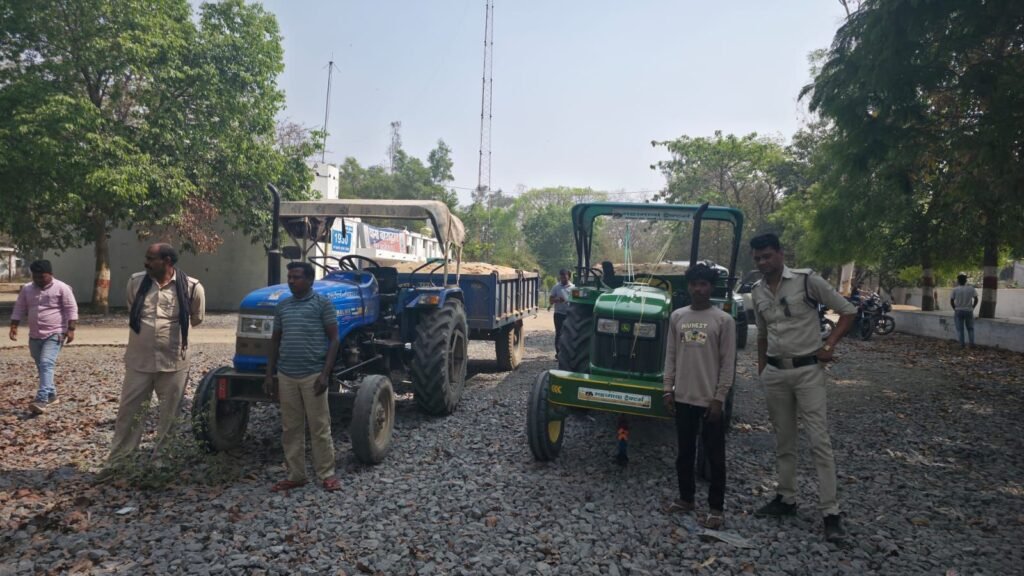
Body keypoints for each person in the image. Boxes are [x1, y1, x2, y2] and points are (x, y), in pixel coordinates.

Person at [748, 233, 857, 543]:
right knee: (784, 440)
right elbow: (762, 335)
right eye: (757, 258)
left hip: (808, 370)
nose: (762, 262)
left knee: (818, 441)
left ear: (781, 253)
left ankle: (830, 512)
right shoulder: (757, 292)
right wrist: (762, 370)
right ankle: (786, 498)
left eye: (767, 256)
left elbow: (847, 311)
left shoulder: (807, 281)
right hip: (775, 373)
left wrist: (830, 344)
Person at [106, 243, 205, 465]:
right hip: (138, 361)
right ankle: (120, 460)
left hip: (174, 362)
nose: (146, 262)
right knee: (129, 412)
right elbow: (133, 310)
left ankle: (162, 460)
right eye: (147, 257)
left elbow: (196, 318)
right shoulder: (136, 282)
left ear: (168, 261)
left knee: (169, 414)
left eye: (152, 258)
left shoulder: (191, 287)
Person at [662, 263, 735, 529]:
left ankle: (716, 508)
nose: (698, 289)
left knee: (715, 456)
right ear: (688, 286)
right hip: (682, 397)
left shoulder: (723, 320)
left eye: (703, 284)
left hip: (710, 401)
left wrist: (720, 398)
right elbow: (670, 355)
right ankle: (686, 498)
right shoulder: (677, 317)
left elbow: (728, 364)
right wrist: (667, 388)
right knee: (684, 452)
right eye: (694, 284)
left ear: (711, 287)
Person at [264, 261, 342, 492]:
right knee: (291, 428)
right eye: (289, 277)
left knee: (319, 427)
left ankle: (327, 475)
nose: (291, 281)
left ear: (309, 280)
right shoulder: (283, 306)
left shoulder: (322, 305)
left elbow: (334, 339)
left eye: (296, 277)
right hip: (286, 374)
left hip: (313, 375)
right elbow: (275, 340)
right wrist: (270, 374)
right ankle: (296, 475)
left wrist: (325, 374)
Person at [9, 260, 78, 414]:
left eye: (43, 277)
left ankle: (41, 400)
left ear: (51, 275)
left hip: (55, 333)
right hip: (34, 335)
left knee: (47, 363)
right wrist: (14, 325)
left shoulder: (62, 288)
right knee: (41, 365)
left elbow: (71, 308)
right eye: (36, 277)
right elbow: (20, 307)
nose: (39, 280)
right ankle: (52, 395)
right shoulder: (27, 289)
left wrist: (71, 329)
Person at [549, 268, 574, 356]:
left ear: (569, 277)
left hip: (569, 314)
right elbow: (551, 300)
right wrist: (558, 299)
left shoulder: (573, 288)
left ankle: (567, 352)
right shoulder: (556, 287)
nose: (563, 279)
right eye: (561, 277)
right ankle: (558, 353)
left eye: (564, 277)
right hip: (558, 314)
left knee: (568, 333)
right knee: (559, 333)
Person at [950, 273, 979, 348]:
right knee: (970, 328)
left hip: (958, 311)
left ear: (958, 281)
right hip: (969, 311)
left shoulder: (955, 289)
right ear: (966, 280)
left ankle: (962, 345)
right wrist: (972, 307)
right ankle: (972, 344)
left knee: (960, 329)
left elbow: (951, 301)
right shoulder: (971, 288)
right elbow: (976, 299)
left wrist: (955, 309)